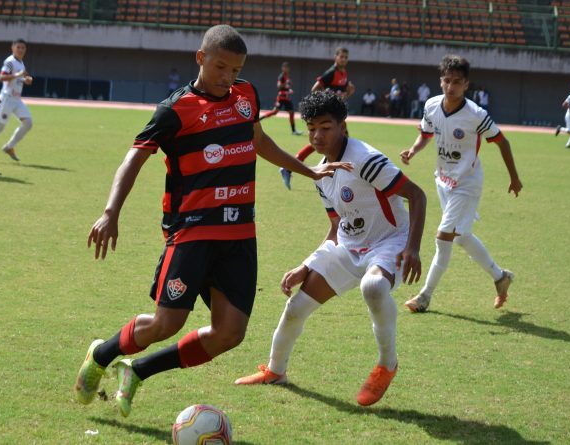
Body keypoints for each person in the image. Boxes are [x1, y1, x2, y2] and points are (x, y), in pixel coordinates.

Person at [74, 25, 348, 418]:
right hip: (192, 232)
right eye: (220, 67)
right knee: (166, 323)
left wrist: (308, 171)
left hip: (239, 234)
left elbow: (259, 142)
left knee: (230, 334)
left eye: (235, 70)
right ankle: (102, 354)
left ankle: (137, 371)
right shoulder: (176, 110)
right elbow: (133, 158)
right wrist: (110, 212)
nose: (227, 77)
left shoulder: (246, 95)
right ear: (200, 58)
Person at [234, 90, 426, 408]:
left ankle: (387, 364)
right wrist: (307, 265)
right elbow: (337, 228)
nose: (317, 135)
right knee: (296, 308)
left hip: (388, 241)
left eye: (325, 127)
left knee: (375, 286)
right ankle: (275, 371)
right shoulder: (320, 173)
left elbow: (417, 195)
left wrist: (413, 248)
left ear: (342, 126)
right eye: (312, 128)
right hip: (350, 248)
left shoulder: (365, 159)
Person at [400, 55, 522, 313]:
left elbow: (502, 142)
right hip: (443, 180)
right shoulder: (432, 105)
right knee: (462, 237)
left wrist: (514, 177)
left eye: (457, 82)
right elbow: (425, 134)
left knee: (443, 237)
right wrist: (413, 150)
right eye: (446, 80)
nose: (450, 86)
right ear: (440, 81)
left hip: (467, 183)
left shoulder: (476, 115)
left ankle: (425, 296)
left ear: (466, 84)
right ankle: (501, 277)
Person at [279, 47, 355, 190]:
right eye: (341, 56)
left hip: (335, 117)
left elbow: (340, 96)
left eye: (346, 57)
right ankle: (340, 179)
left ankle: (289, 168)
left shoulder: (343, 73)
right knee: (338, 144)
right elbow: (315, 90)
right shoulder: (331, 73)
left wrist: (348, 93)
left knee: (333, 144)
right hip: (328, 116)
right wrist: (325, 105)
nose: (343, 59)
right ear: (336, 57)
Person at [0, 38, 33, 162]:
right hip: (7, 99)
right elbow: (1, 77)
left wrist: (27, 79)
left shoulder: (21, 62)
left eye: (23, 48)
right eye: (18, 47)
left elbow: (23, 75)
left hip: (17, 100)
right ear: (12, 48)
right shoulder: (10, 62)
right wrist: (19, 75)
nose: (21, 50)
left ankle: (9, 147)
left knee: (28, 123)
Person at [259, 62, 302, 136]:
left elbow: (285, 87)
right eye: (284, 67)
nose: (286, 69)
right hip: (281, 98)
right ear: (282, 68)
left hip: (286, 98)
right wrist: (286, 84)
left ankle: (294, 131)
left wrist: (289, 90)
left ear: (288, 69)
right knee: (274, 112)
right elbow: (279, 86)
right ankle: (259, 119)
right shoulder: (281, 76)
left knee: (291, 113)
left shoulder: (287, 76)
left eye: (287, 67)